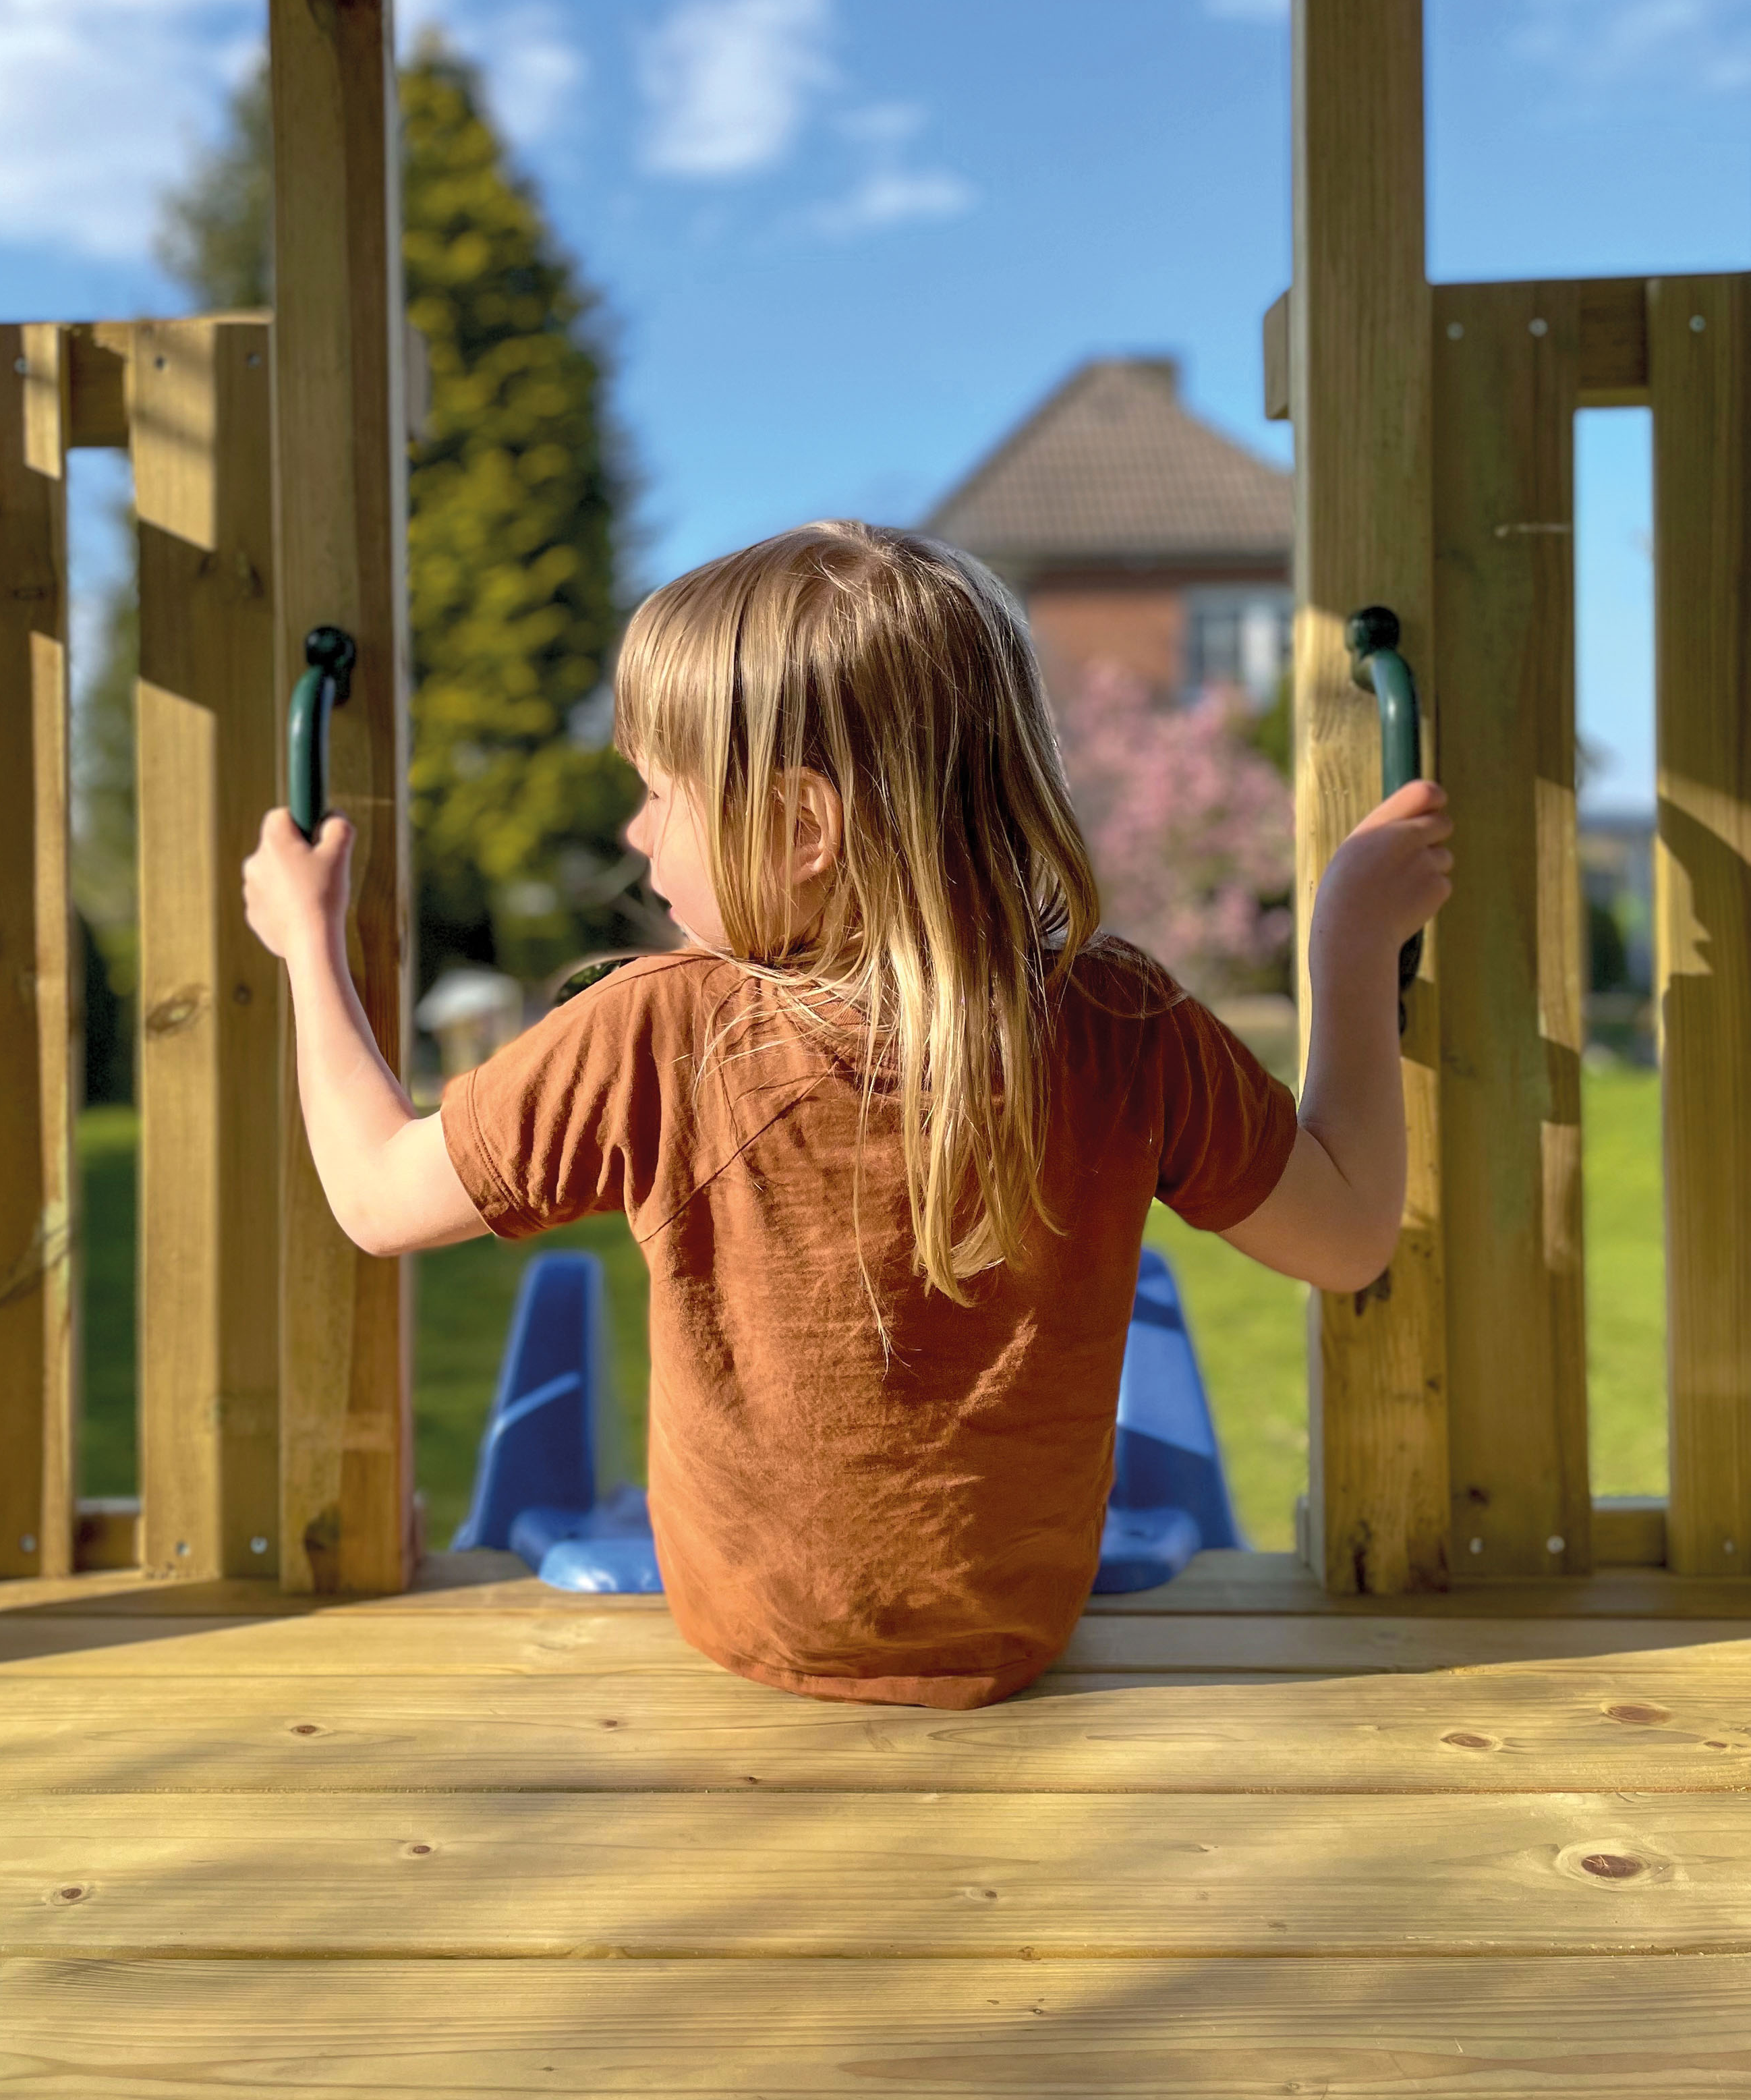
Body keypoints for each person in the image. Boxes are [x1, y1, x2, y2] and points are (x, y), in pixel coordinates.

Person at [243, 522, 1451, 1709]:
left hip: (747, 1632)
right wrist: (1351, 947)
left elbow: (374, 1195)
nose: (637, 831)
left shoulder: (652, 1027)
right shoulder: (1118, 1017)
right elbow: (1345, 1238)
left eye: (661, 792)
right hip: (1019, 1631)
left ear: (806, 826)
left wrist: (307, 942)